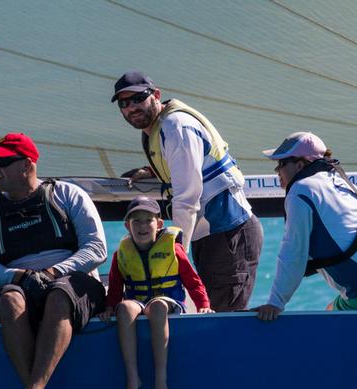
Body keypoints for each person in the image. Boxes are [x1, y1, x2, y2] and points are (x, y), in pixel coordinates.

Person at [0, 133, 107, 389]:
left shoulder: (68, 194)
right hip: (20, 285)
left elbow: (96, 248)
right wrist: (18, 277)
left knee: (59, 295)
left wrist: (53, 271)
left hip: (70, 281)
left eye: (3, 162)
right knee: (8, 301)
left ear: (28, 166)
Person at [112, 71, 264, 311]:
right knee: (211, 316)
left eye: (139, 98)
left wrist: (173, 250)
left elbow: (187, 197)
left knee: (221, 321)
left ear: (156, 95)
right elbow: (189, 163)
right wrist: (151, 171)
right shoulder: (157, 128)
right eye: (124, 103)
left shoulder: (175, 126)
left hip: (229, 234)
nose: (132, 107)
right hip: (211, 235)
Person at [255, 132, 357, 321]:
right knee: (331, 308)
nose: (277, 170)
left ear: (300, 165)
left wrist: (275, 303)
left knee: (330, 325)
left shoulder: (300, 190)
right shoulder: (338, 177)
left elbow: (293, 252)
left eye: (282, 163)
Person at [99, 196, 212, 389]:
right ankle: (133, 377)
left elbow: (193, 281)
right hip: (138, 302)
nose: (142, 226)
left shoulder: (173, 249)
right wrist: (109, 307)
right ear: (127, 225)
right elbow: (115, 288)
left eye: (148, 220)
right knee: (123, 309)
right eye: (136, 221)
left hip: (168, 302)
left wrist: (203, 305)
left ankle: (161, 377)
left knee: (158, 307)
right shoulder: (121, 254)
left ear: (159, 224)